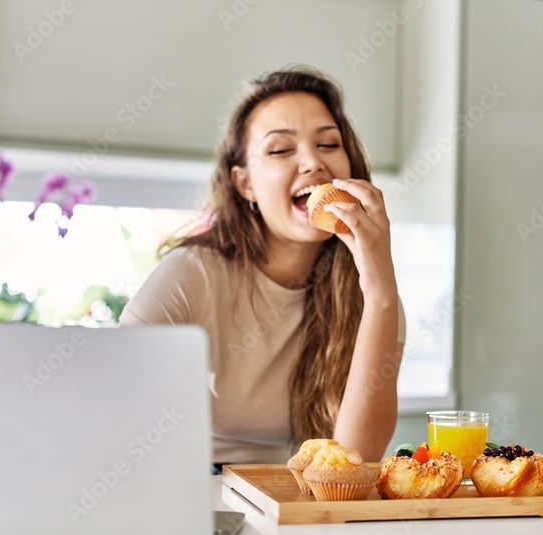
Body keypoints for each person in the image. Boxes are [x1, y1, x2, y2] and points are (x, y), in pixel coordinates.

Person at [119, 66, 404, 464]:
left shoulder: (374, 293)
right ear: (244, 183)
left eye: (329, 144)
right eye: (280, 150)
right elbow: (112, 402)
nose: (312, 163)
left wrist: (381, 296)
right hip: (196, 489)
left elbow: (354, 462)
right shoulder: (193, 274)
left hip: (289, 498)